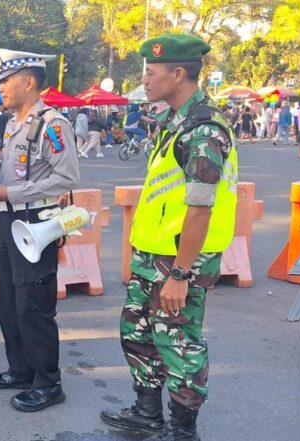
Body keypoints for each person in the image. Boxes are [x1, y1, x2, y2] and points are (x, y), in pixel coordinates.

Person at [100, 34, 238, 441]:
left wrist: (180, 274)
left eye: (151, 72)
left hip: (179, 261)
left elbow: (200, 210)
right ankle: (147, 414)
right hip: (153, 256)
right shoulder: (176, 120)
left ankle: (182, 431)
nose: (144, 80)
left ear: (178, 74)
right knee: (138, 333)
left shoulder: (204, 129)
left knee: (179, 345)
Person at [0, 49, 79, 413]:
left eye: (6, 80)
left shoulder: (52, 124)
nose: (1, 87)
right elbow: (17, 172)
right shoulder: (11, 124)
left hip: (36, 221)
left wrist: (12, 193)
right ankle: (20, 369)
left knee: (33, 303)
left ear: (29, 81)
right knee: (9, 300)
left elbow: (66, 178)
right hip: (8, 221)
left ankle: (48, 382)